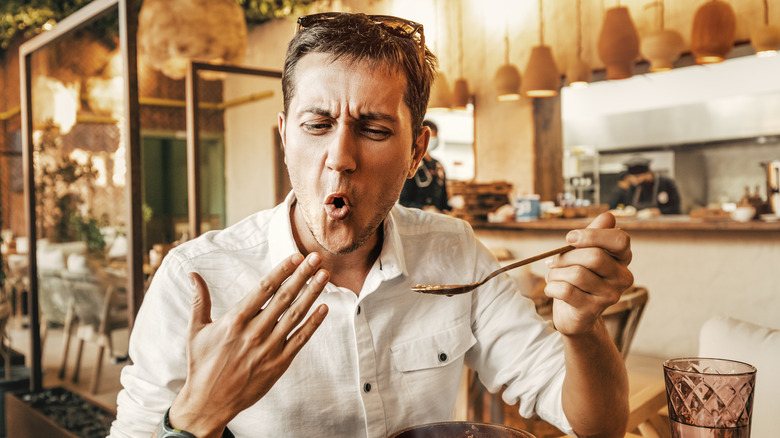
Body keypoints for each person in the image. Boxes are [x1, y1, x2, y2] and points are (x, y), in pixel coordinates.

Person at [110, 12, 633, 438]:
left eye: (374, 129)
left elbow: (598, 425)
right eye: (316, 125)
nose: (339, 158)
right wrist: (194, 416)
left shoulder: (454, 252)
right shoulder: (196, 278)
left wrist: (582, 331)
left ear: (416, 153)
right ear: (284, 137)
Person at [398, 119, 450, 212]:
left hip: (436, 220)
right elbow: (404, 202)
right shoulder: (412, 164)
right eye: (433, 135)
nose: (436, 138)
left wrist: (450, 207)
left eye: (436, 135)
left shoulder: (439, 166)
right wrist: (425, 209)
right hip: (415, 220)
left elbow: (443, 201)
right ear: (422, 137)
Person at [608, 156, 681, 215]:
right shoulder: (634, 186)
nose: (635, 180)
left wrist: (658, 211)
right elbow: (621, 204)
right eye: (632, 177)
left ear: (648, 173)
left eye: (638, 177)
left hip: (665, 226)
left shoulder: (666, 183)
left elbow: (675, 208)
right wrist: (622, 209)